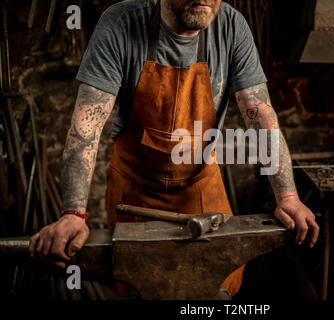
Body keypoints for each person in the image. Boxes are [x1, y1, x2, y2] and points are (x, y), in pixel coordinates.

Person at [28, 0, 319, 298]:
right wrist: (73, 213)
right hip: (135, 191)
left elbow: (261, 118)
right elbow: (85, 128)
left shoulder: (232, 27)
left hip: (200, 185)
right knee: (139, 286)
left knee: (215, 289)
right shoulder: (120, 24)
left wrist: (289, 197)